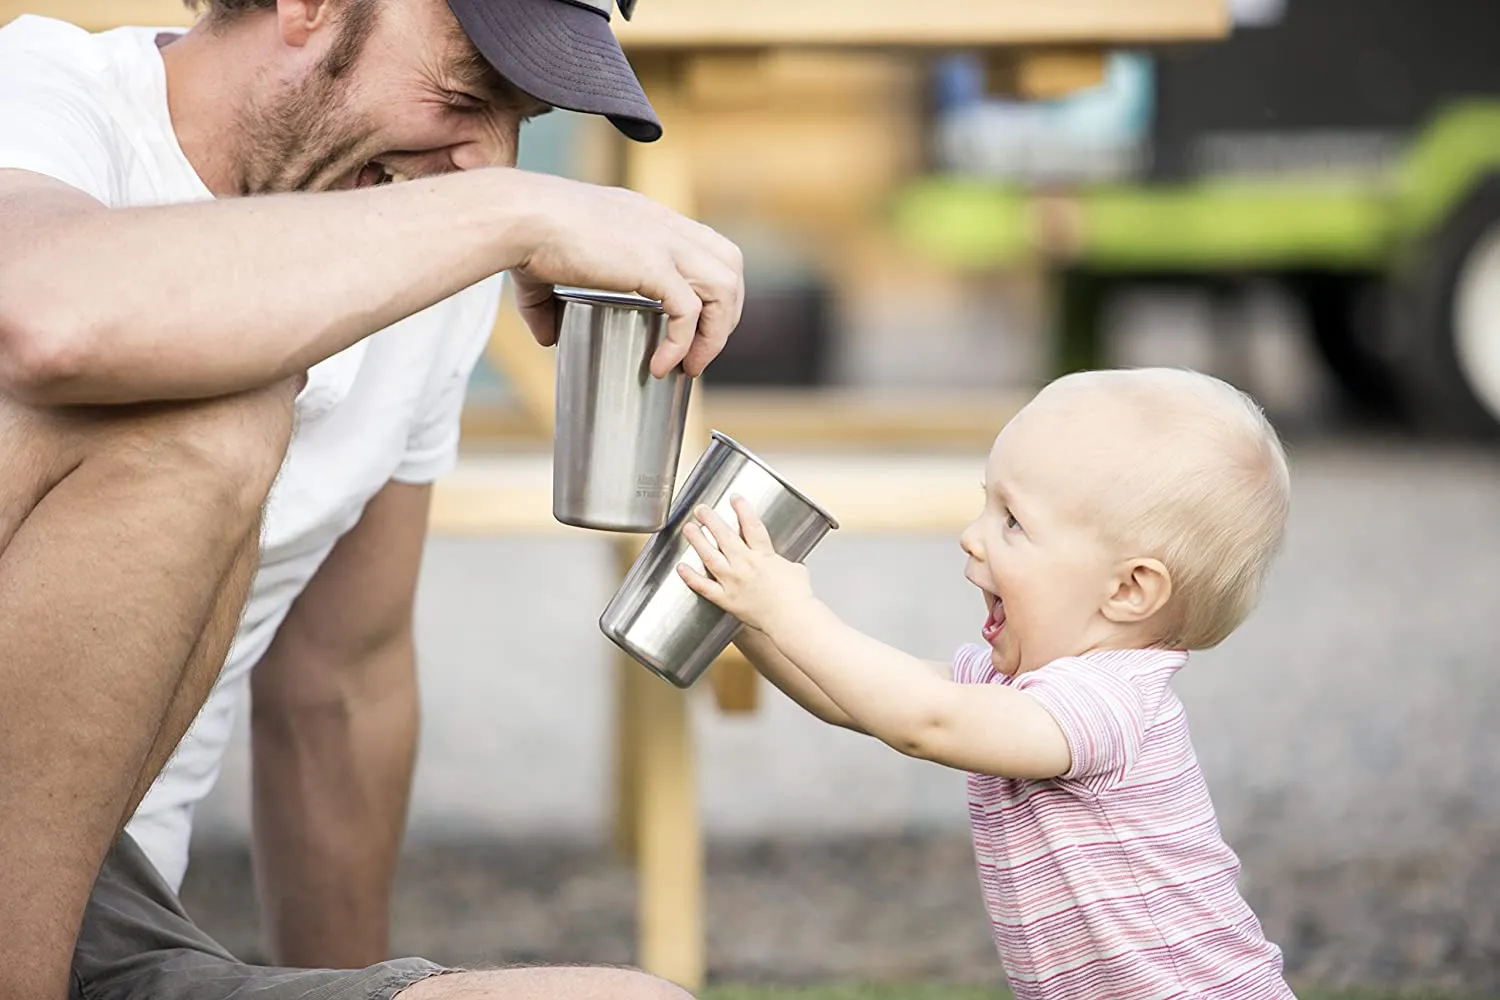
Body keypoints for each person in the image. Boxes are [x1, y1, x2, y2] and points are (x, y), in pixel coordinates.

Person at [0, 0, 743, 996]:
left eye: (521, 117)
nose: (489, 159)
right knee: (213, 413)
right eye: (466, 91)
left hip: (116, 926)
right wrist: (515, 213)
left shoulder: (425, 246)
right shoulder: (43, 94)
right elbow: (52, 316)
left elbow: (339, 684)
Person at [677, 367, 1299, 999]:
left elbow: (925, 722)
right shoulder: (1023, 689)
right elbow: (857, 705)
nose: (971, 537)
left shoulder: (1108, 705)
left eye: (1013, 522)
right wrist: (749, 622)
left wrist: (789, 610)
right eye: (986, 503)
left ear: (1129, 589)